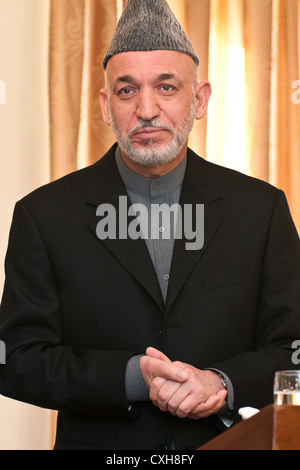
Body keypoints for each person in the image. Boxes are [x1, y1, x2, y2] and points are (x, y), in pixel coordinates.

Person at [0, 0, 299, 451]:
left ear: (199, 100)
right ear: (105, 105)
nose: (146, 109)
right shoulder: (44, 216)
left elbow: (293, 347)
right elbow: (16, 361)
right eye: (126, 90)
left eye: (166, 87)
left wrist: (221, 382)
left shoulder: (260, 210)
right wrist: (131, 377)